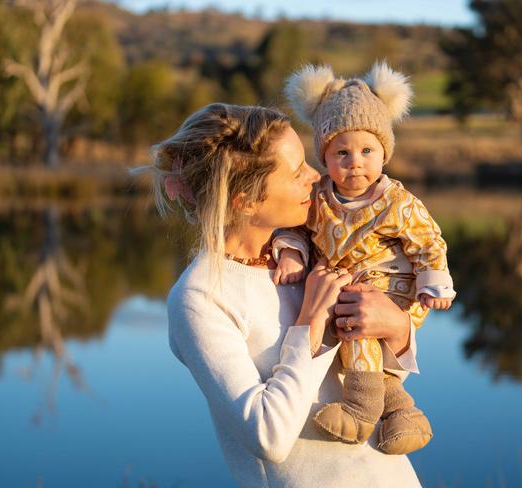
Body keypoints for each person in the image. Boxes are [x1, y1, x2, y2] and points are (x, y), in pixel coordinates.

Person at [136, 103, 422, 487]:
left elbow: (369, 372)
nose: (315, 176)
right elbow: (267, 437)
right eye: (296, 172)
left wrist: (398, 328)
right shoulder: (200, 298)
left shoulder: (312, 249)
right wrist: (309, 323)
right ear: (245, 201)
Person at [272, 62, 456, 454]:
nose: (355, 160)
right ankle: (402, 413)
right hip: (346, 284)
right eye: (342, 152)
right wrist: (290, 251)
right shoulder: (320, 197)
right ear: (324, 157)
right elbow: (296, 228)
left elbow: (428, 240)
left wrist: (434, 281)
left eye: (367, 150)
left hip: (393, 287)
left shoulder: (395, 201)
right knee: (354, 329)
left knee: (357, 329)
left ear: (384, 154)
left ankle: (359, 412)